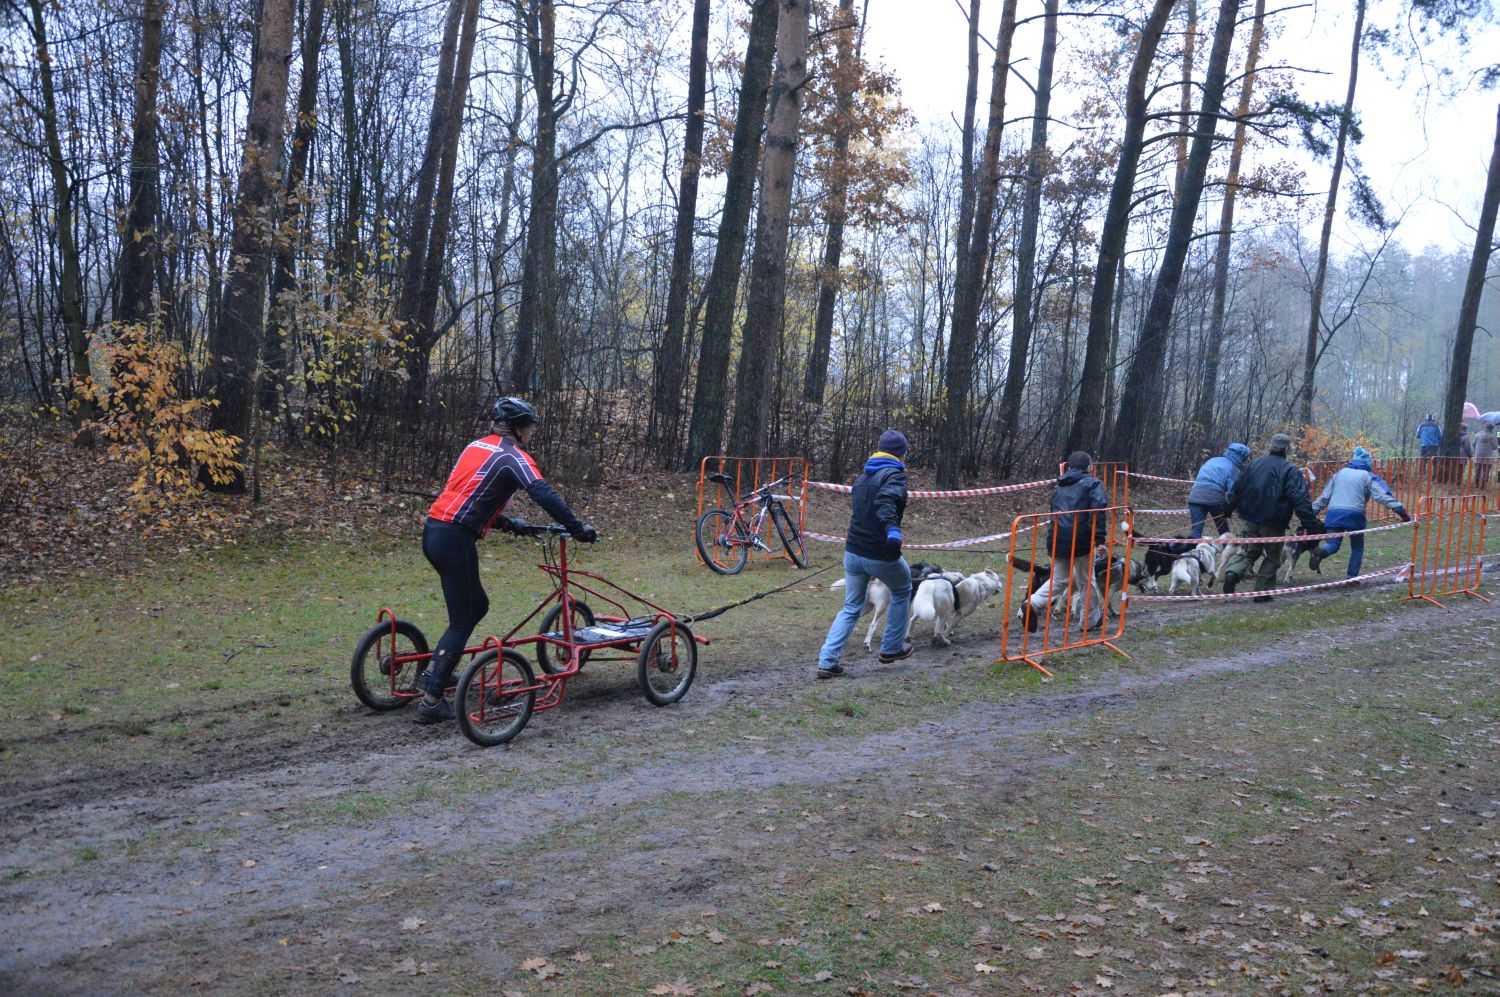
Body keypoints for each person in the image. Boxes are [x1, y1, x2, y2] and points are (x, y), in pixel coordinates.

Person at [416, 397, 596, 723]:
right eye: (528, 428)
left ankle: (439, 671)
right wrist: (577, 527)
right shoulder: (514, 457)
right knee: (468, 613)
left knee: (470, 607)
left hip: (434, 532)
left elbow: (468, 496)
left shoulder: (475, 447)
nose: (530, 434)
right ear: (517, 428)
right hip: (455, 538)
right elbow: (542, 492)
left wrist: (508, 523)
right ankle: (431, 696)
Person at [816, 430, 914, 678]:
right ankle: (891, 648)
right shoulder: (894, 475)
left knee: (851, 607)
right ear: (902, 453)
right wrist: (893, 530)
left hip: (852, 552)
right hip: (879, 552)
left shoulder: (864, 476)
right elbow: (886, 502)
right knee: (902, 589)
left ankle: (827, 660)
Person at [1221, 433, 1322, 602]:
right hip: (1274, 522)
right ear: (1287, 450)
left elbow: (1236, 488)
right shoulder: (1290, 470)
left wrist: (1228, 508)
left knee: (1248, 551)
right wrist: (1310, 525)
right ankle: (1262, 593)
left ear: (1271, 446)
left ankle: (1232, 573)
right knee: (1273, 557)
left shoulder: (1253, 465)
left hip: (1250, 518)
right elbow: (1300, 499)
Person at [1021, 451, 1110, 633]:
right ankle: (1090, 620)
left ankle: (1033, 603)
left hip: (1057, 538)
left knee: (1059, 579)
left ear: (1069, 467)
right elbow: (1098, 510)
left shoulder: (1060, 485)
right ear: (1090, 467)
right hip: (1081, 539)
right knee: (1087, 581)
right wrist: (1100, 540)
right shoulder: (1094, 483)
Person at [1307, 445, 1411, 581]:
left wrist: (1309, 514)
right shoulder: (1367, 476)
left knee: (1333, 544)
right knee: (1357, 547)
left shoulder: (1338, 475)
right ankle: (1351, 577)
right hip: (1354, 515)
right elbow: (1383, 496)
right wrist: (1401, 512)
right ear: (1368, 463)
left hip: (1333, 514)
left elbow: (1323, 497)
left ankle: (1320, 551)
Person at [1186, 443, 1251, 539]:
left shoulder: (1212, 460)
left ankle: (1181, 551)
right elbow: (1233, 491)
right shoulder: (1233, 468)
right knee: (1223, 530)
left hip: (1195, 496)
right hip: (1215, 499)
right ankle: (1229, 552)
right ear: (1242, 457)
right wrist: (1231, 508)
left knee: (1196, 532)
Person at [1474, 421, 1497, 490]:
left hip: (1478, 455)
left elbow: (1473, 444)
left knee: (1477, 469)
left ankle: (1476, 483)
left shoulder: (1478, 435)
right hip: (1487, 457)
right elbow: (1495, 447)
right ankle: (1483, 485)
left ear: (1485, 428)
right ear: (1492, 429)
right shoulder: (1492, 437)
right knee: (1486, 470)